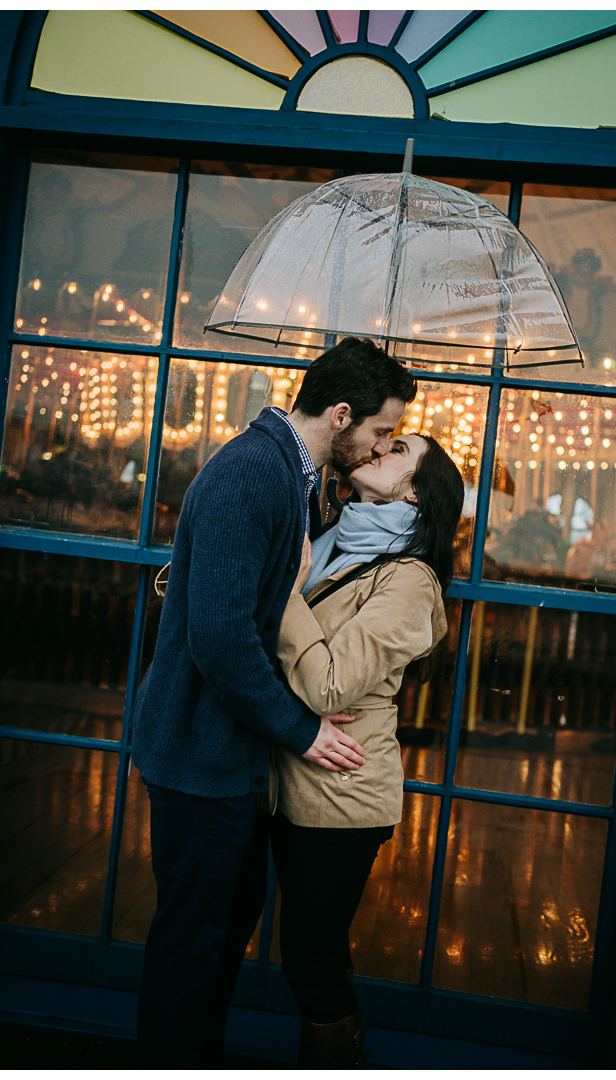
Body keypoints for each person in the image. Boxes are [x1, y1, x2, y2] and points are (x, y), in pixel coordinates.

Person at [130, 337, 417, 1068]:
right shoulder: (252, 474)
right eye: (381, 432)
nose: (381, 446)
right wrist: (302, 731)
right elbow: (221, 638)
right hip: (200, 756)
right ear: (342, 414)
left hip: (233, 760)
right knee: (193, 948)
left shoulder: (294, 481)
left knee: (221, 940)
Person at [270, 432, 465, 1068]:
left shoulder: (409, 581)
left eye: (398, 449)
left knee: (310, 961)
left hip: (342, 792)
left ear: (415, 489)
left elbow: (328, 684)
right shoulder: (335, 539)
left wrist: (288, 590)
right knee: (312, 948)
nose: (379, 449)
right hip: (289, 773)